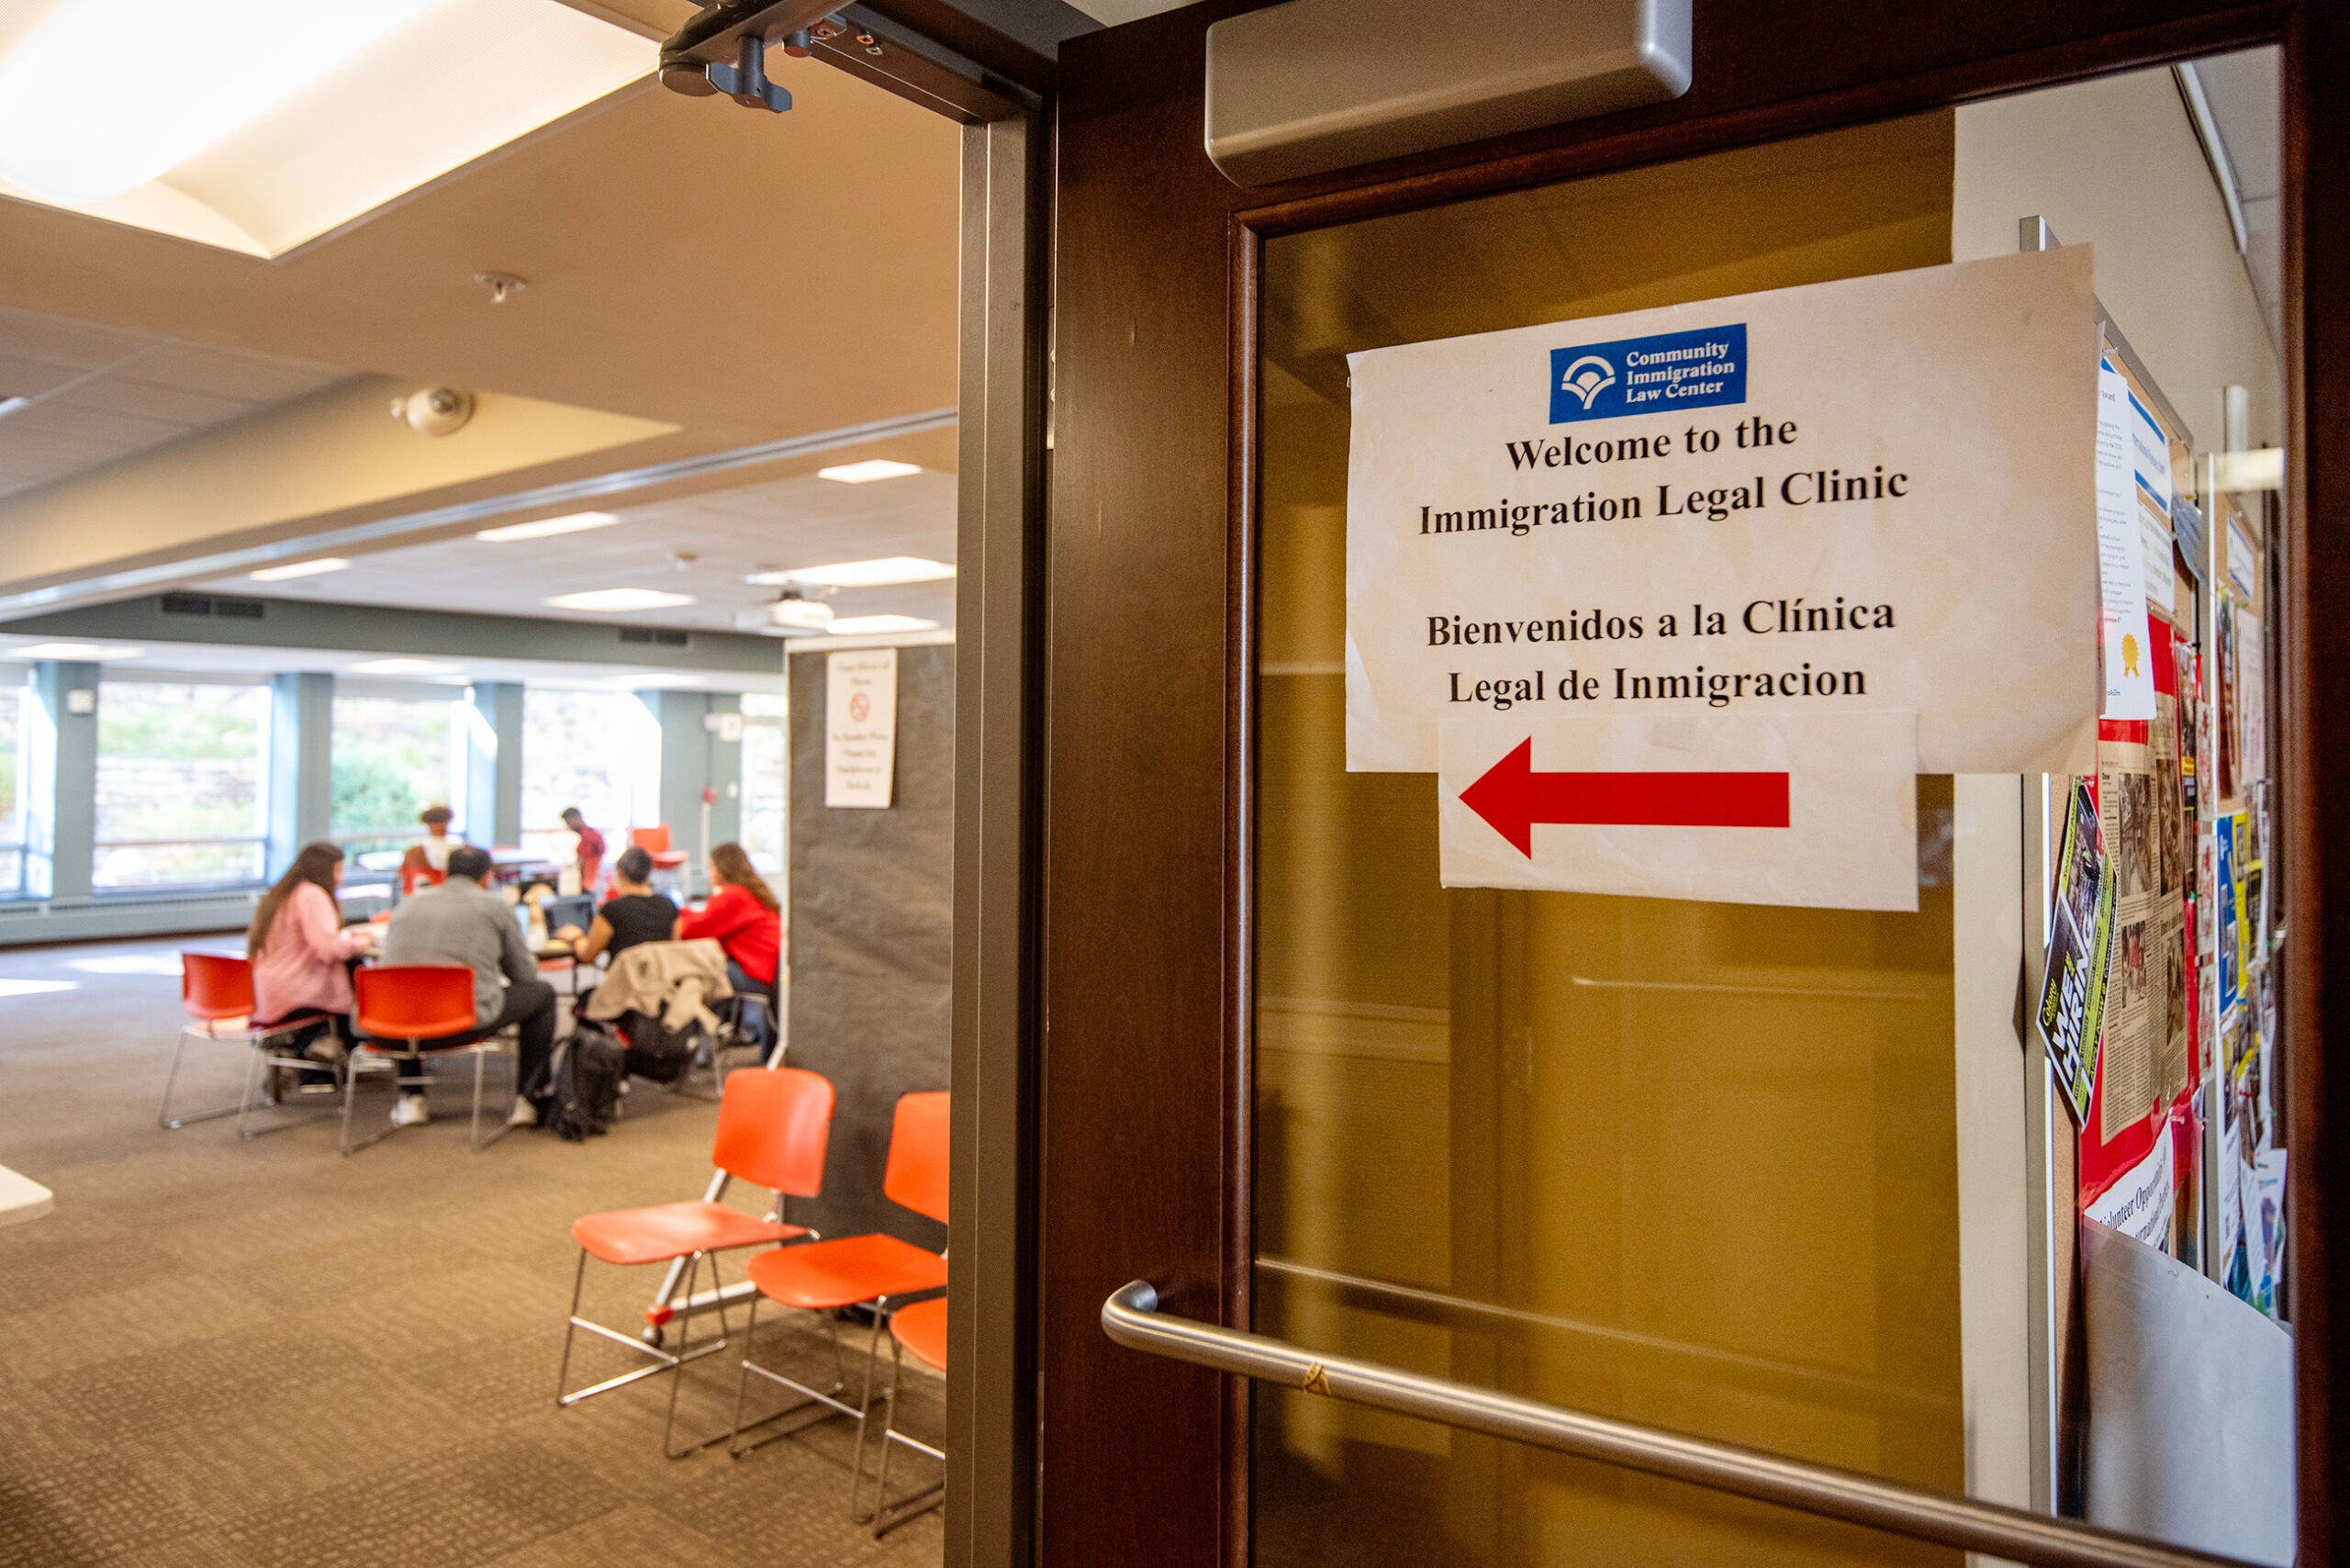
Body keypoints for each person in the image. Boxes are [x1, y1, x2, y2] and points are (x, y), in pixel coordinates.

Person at [376, 845, 559, 1129]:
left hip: (389, 1026)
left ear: (447, 873)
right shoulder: (495, 906)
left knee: (412, 992)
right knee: (542, 994)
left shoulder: (408, 903)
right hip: (460, 1022)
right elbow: (524, 975)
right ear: (487, 877)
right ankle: (529, 1099)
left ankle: (411, 1099)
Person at [248, 841, 371, 1077]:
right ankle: (335, 1047)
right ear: (325, 871)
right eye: (338, 871)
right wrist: (363, 942)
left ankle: (315, 1049)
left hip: (267, 992)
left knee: (349, 969)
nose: (340, 878)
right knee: (355, 970)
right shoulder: (311, 895)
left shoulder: (281, 894)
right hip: (296, 993)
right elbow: (328, 948)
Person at [677, 842, 781, 1003]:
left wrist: (672, 913)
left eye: (711, 867)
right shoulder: (752, 894)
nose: (709, 874)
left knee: (689, 974)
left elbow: (694, 930)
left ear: (722, 869)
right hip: (763, 975)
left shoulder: (734, 895)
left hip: (751, 976)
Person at [558, 846, 676, 966]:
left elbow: (588, 955)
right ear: (648, 874)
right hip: (661, 982)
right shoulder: (669, 906)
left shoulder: (612, 910)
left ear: (619, 873)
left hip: (623, 982)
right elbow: (673, 949)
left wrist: (577, 937)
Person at [398, 805, 461, 897]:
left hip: (419, 897)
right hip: (451, 895)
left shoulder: (414, 851)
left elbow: (404, 875)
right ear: (448, 822)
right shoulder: (460, 848)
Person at [560, 806, 605, 893]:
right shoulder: (587, 836)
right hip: (589, 884)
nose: (569, 826)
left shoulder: (590, 837)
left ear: (577, 818)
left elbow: (586, 862)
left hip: (591, 885)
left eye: (569, 822)